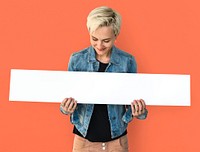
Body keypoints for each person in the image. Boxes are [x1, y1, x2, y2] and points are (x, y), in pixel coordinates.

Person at [60, 6, 148, 152]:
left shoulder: (128, 61)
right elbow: (65, 103)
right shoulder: (76, 60)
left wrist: (138, 112)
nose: (99, 45)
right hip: (84, 141)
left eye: (106, 40)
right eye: (94, 39)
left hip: (117, 141)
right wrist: (66, 108)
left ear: (116, 35)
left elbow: (135, 103)